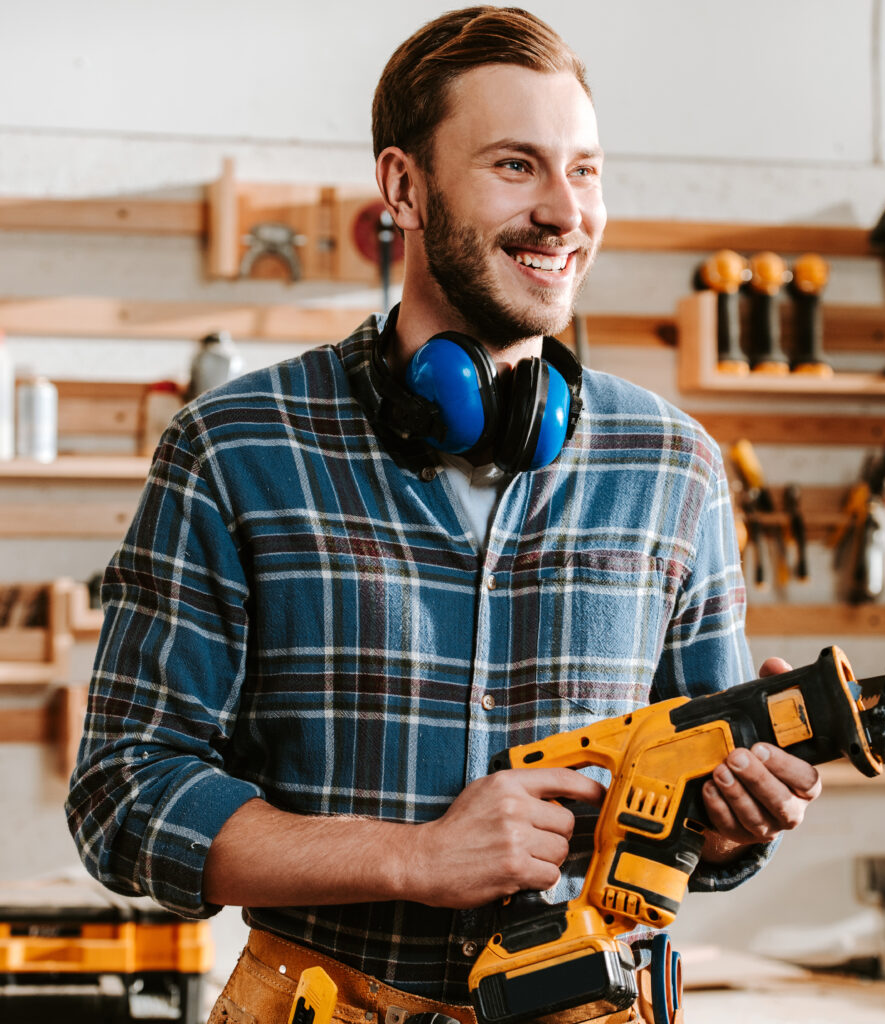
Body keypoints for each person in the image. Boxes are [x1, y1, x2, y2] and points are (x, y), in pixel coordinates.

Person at [66, 7, 821, 1022]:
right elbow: (123, 796)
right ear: (403, 188)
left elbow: (688, 814)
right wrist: (415, 856)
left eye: (585, 170)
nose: (566, 211)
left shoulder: (671, 465)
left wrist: (734, 823)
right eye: (517, 166)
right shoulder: (237, 448)